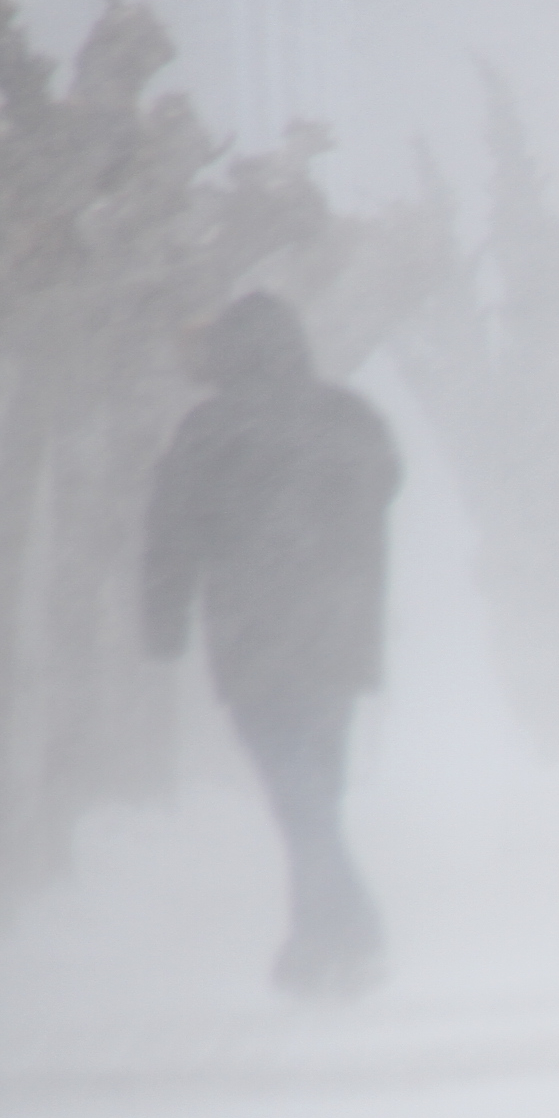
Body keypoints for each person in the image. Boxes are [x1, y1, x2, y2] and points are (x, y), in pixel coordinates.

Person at [140, 291, 401, 997]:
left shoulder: (210, 430)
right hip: (341, 641)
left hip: (257, 644)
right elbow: (385, 483)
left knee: (299, 797)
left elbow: (171, 533)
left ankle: (343, 934)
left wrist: (163, 622)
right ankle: (325, 940)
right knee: (313, 795)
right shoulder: (346, 417)